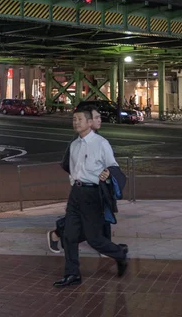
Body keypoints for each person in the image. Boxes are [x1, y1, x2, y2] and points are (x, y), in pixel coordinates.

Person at [53, 109, 128, 288]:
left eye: (79, 119)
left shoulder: (101, 143)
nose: (76, 122)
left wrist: (108, 173)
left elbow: (113, 166)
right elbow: (72, 168)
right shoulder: (74, 145)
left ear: (89, 123)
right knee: (69, 235)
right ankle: (72, 274)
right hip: (75, 194)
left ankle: (119, 253)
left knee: (94, 239)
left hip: (93, 194)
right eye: (74, 119)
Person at [49, 106, 108, 254]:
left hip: (96, 187)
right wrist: (79, 179)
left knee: (94, 216)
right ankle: (57, 234)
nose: (99, 120)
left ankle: (103, 244)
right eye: (96, 118)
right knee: (82, 218)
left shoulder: (97, 138)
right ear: (88, 121)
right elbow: (67, 163)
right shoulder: (79, 139)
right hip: (83, 187)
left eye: (100, 117)